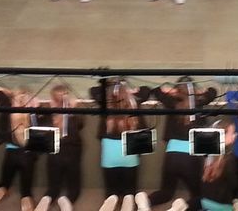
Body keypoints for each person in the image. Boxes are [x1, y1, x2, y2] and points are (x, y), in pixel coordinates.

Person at [135, 77, 218, 211]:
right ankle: (183, 208)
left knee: (166, 192)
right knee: (198, 195)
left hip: (172, 155)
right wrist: (199, 92)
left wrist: (171, 91)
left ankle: (146, 202)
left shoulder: (171, 102)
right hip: (191, 157)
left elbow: (156, 90)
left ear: (177, 90)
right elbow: (213, 91)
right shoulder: (200, 101)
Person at [89, 79, 151, 211]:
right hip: (130, 152)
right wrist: (131, 91)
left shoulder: (105, 104)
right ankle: (128, 201)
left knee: (111, 192)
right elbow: (146, 90)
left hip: (109, 155)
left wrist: (109, 83)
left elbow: (93, 91)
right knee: (130, 191)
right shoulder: (135, 103)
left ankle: (111, 200)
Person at [0, 87, 40, 211]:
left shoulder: (7, 109)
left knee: (4, 181)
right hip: (28, 156)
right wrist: (36, 106)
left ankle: (2, 189)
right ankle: (26, 198)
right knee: (26, 189)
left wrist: (12, 94)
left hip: (10, 154)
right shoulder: (33, 114)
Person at [34, 85, 85, 211]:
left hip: (54, 154)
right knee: (74, 189)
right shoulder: (75, 115)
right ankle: (66, 201)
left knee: (53, 188)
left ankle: (46, 200)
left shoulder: (47, 114)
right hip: (72, 154)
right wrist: (73, 110)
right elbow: (80, 125)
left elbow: (40, 128)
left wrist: (40, 108)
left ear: (52, 98)